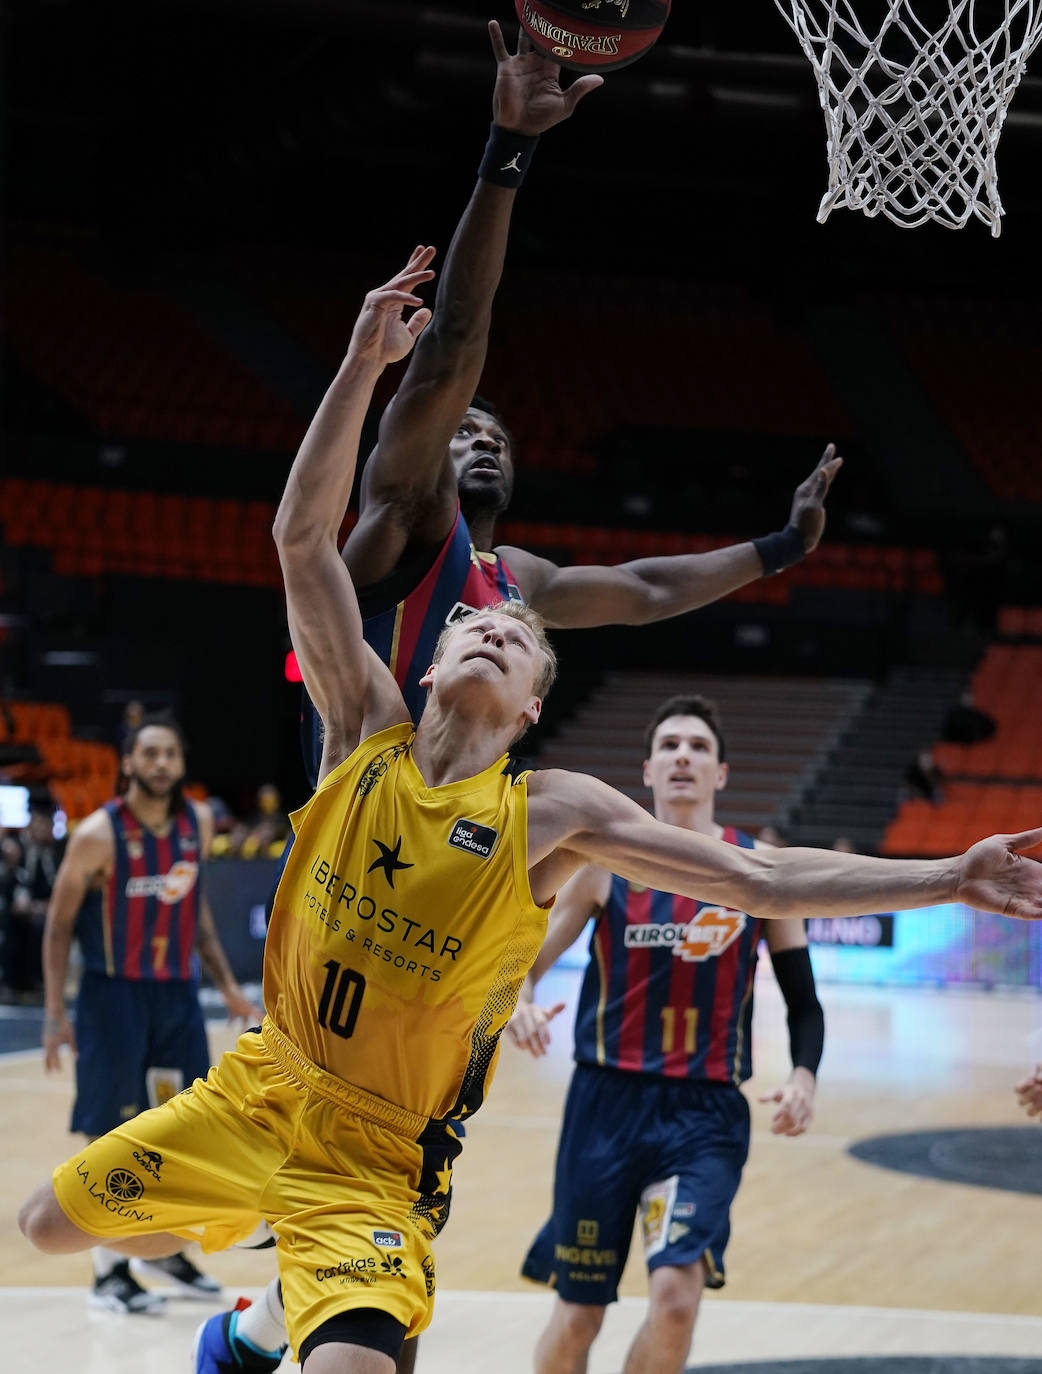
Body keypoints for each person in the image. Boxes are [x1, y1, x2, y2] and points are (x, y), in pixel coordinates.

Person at [18, 253, 1042, 1374]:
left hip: (381, 1154)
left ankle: (284, 1301)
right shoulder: (363, 723)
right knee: (44, 1228)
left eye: (514, 637)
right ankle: (263, 1305)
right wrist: (361, 366)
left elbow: (754, 880)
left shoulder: (550, 812)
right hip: (259, 1090)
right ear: (432, 650)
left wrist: (948, 874)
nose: (494, 630)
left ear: (533, 704)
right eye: (475, 627)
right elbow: (301, 539)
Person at [511, 695, 823, 1374]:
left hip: (703, 1114)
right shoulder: (602, 863)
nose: (684, 755)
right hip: (605, 1106)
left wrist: (804, 1075)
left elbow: (805, 1004)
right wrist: (521, 1004)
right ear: (647, 772)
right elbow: (523, 968)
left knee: (676, 1301)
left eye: (699, 747)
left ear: (722, 774)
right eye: (671, 746)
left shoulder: (761, 870)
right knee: (577, 1317)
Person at [39, 714, 262, 1314]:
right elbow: (59, 927)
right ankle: (108, 1271)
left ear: (181, 764)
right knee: (112, 1127)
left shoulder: (198, 822)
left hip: (177, 995)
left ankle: (162, 1250)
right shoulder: (96, 834)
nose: (160, 763)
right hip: (113, 997)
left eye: (170, 753)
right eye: (149, 754)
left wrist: (227, 987)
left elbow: (201, 920)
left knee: (184, 1126)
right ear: (129, 763)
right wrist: (55, 1012)